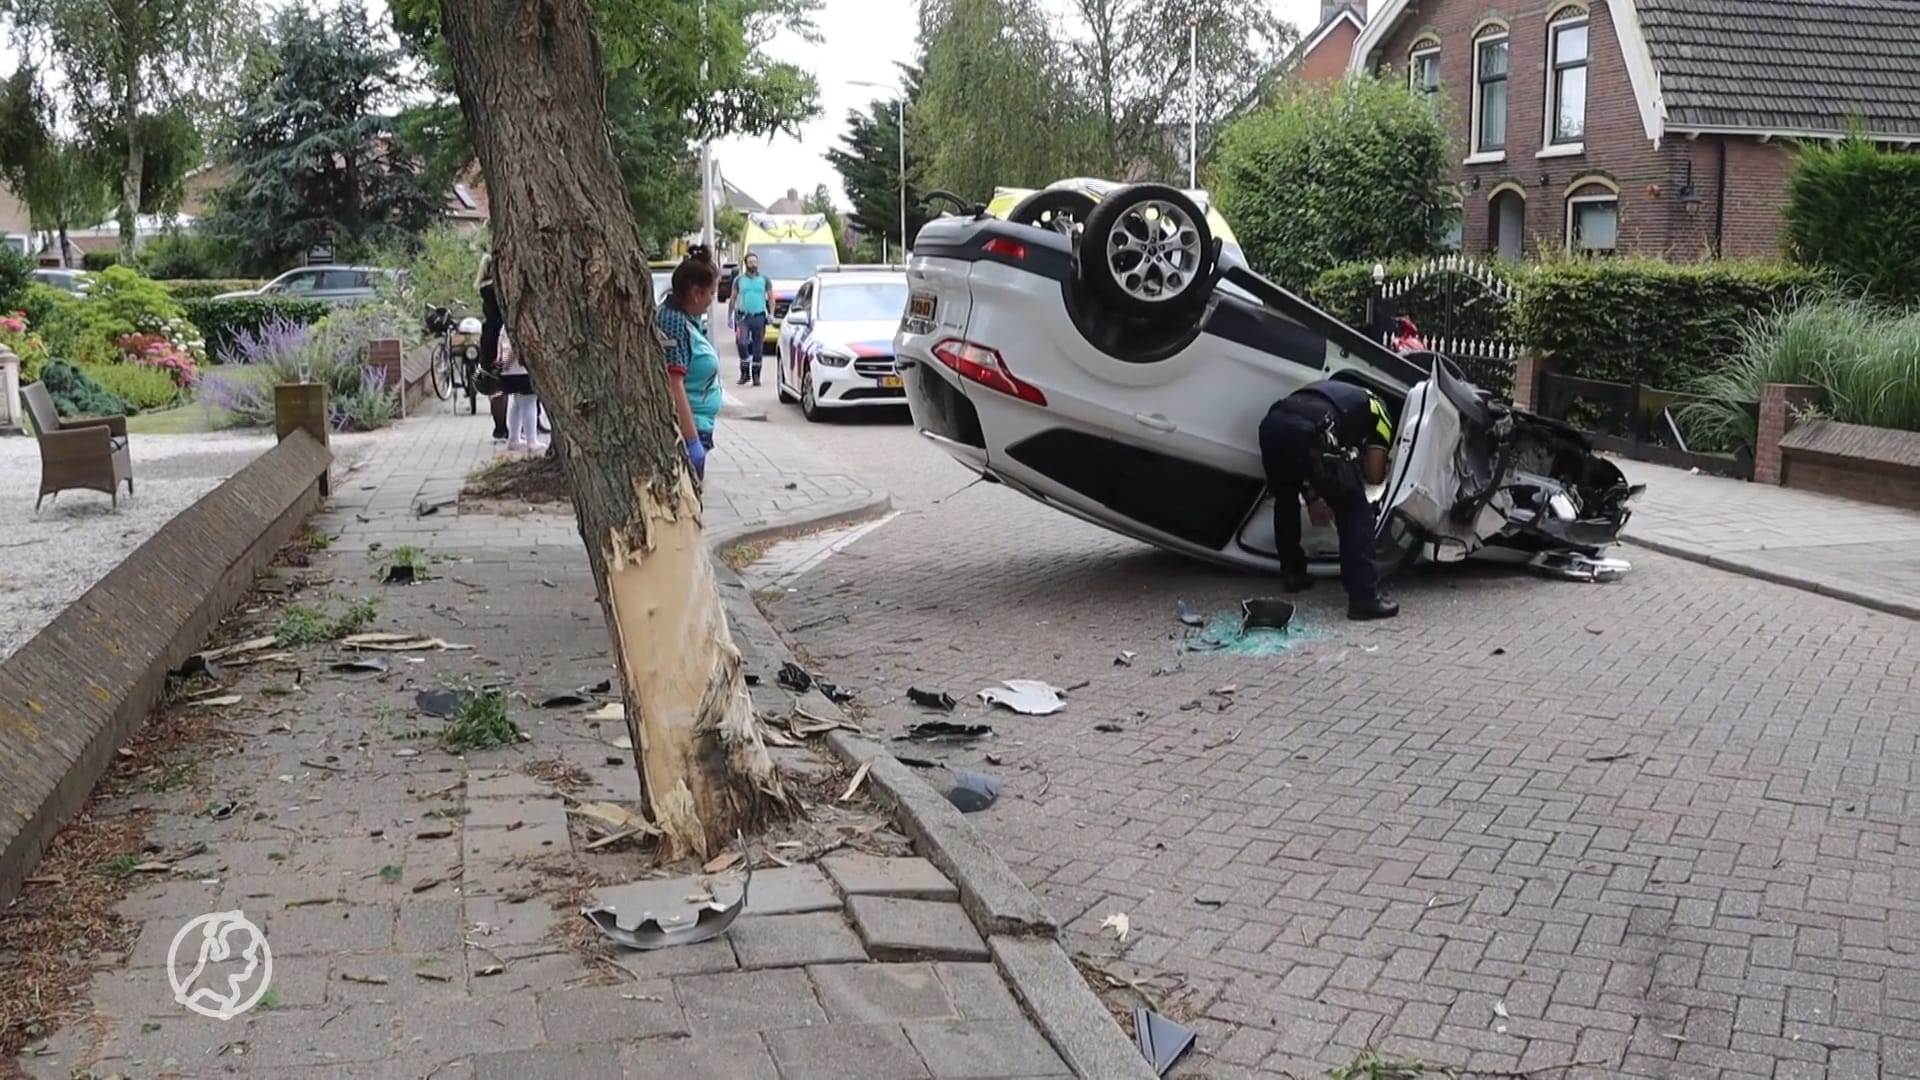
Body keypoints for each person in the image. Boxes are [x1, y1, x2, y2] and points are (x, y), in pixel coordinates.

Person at [1257, 380, 1400, 621]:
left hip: (1272, 426)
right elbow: (1375, 474)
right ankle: (1364, 599)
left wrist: (1313, 498)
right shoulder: (1380, 411)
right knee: (1355, 511)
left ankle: (1293, 574)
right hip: (1311, 431)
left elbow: (1302, 463)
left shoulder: (1332, 391)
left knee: (1286, 499)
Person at [657, 252, 723, 481]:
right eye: (711, 293)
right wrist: (692, 440)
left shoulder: (687, 320)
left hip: (698, 425)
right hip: (687, 430)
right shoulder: (673, 323)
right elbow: (674, 383)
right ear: (695, 292)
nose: (712, 300)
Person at [475, 248, 510, 441]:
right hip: (503, 336)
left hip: (489, 335)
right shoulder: (498, 288)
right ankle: (525, 424)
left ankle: (500, 427)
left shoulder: (484, 287)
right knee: (516, 382)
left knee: (494, 380)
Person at [497, 331, 544, 453]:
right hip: (522, 368)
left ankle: (514, 439)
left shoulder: (505, 326)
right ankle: (531, 441)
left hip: (508, 370)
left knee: (518, 403)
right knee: (529, 402)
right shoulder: (519, 322)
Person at [731, 252, 770, 386]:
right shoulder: (739, 280)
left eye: (755, 262)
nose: (753, 264)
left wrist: (771, 314)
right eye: (750, 262)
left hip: (759, 317)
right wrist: (730, 316)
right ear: (746, 264)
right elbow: (733, 297)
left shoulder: (764, 280)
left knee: (758, 346)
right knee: (741, 343)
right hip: (743, 317)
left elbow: (771, 297)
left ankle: (756, 374)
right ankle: (744, 372)